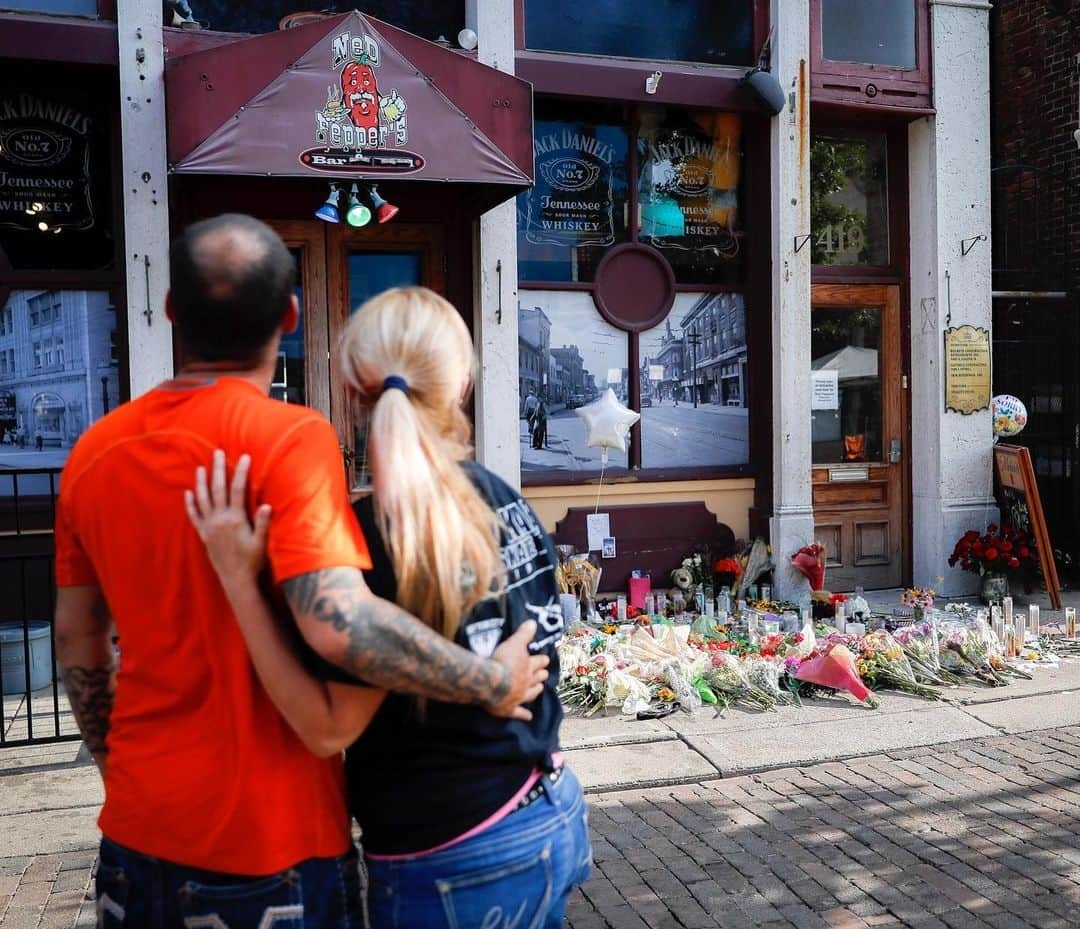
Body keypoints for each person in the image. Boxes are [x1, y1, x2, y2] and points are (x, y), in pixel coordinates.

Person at [52, 216, 547, 929]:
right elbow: (340, 621)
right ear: (289, 316)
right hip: (273, 842)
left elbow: (76, 641)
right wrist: (491, 681)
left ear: (168, 310)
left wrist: (120, 773)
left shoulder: (93, 454)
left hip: (137, 831)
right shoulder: (292, 439)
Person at [186, 286, 592, 929]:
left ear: (351, 391)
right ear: (460, 386)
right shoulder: (502, 498)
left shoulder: (371, 535)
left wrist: (239, 578)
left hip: (454, 847)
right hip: (550, 803)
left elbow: (327, 728)